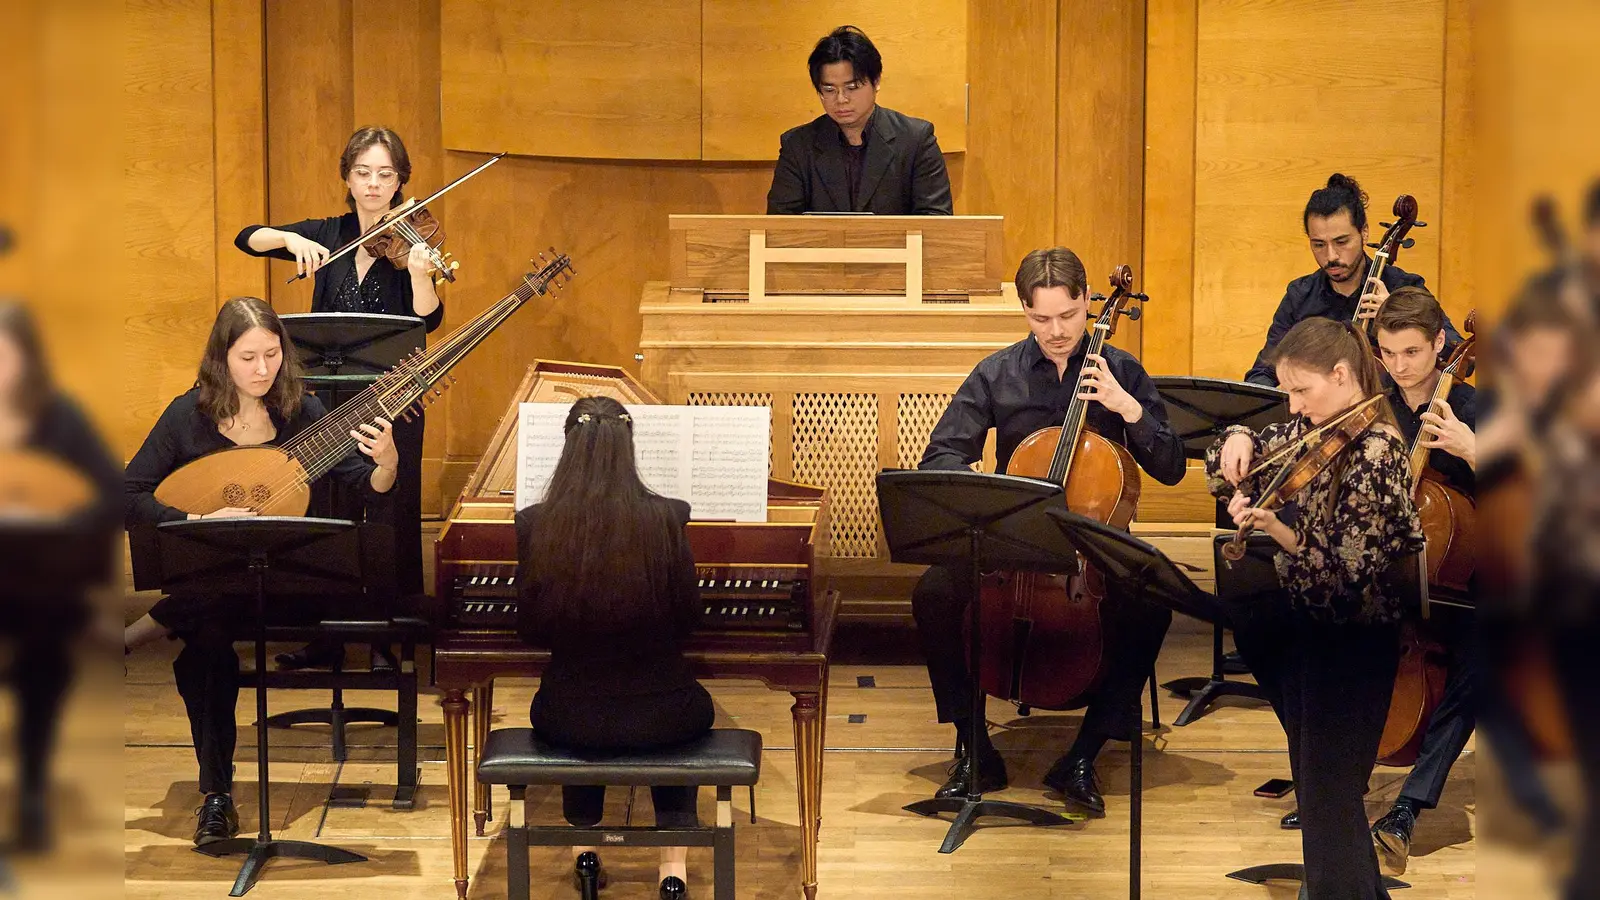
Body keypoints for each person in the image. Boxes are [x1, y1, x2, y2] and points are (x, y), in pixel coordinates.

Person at [913, 247, 1185, 815]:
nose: (1057, 331)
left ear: (1087, 302)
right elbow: (941, 454)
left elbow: (1171, 467)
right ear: (1023, 310)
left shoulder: (1122, 371)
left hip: (1092, 545)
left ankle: (1084, 753)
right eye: (1041, 318)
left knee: (1151, 604)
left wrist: (1129, 409)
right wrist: (978, 485)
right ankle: (974, 746)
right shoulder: (996, 373)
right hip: (1015, 543)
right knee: (934, 592)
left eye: (1068, 315)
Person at [123, 297, 398, 846]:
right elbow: (127, 493)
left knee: (213, 602)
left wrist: (387, 461)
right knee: (206, 649)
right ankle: (216, 797)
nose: (263, 369)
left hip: (293, 583)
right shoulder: (188, 416)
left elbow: (369, 487)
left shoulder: (303, 412)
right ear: (221, 359)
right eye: (247, 358)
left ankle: (148, 626)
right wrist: (198, 520)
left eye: (272, 354)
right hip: (220, 590)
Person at [1207, 316, 1426, 899]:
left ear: (1342, 375)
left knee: (1329, 802)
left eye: (1301, 390)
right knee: (1325, 801)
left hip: (1355, 645)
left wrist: (1278, 529)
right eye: (1287, 392)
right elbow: (1221, 468)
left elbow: (1344, 579)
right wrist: (1238, 440)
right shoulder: (1317, 429)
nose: (1294, 406)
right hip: (1307, 635)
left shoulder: (1377, 452)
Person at [234, 126, 440, 658]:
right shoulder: (329, 233)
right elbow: (246, 237)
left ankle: (389, 636)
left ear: (400, 181)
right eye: (363, 172)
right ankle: (323, 635)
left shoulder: (413, 241)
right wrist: (288, 240)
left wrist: (422, 276)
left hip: (394, 397)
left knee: (390, 506)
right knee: (327, 505)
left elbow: (428, 320)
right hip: (326, 398)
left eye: (385, 175)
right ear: (347, 177)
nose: (373, 184)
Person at [515, 395, 711, 900]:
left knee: (584, 708)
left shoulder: (536, 523)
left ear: (567, 447)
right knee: (672, 719)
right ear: (629, 447)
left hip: (567, 715)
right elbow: (689, 617)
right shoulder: (668, 516)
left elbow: (531, 628)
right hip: (666, 713)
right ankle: (672, 873)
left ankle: (586, 855)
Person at [1362, 286, 1478, 873]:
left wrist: (1475, 450)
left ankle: (1407, 808)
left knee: (1484, 660)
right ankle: (1334, 782)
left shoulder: (1478, 407)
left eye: (1411, 352)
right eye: (1388, 353)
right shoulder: (1377, 406)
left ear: (1440, 343)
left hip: (1470, 581)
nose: (1400, 367)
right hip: (1392, 579)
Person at [0, 300, 121, 851]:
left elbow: (110, 495)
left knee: (43, 657)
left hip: (41, 585)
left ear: (26, 357)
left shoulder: (59, 417)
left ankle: (31, 789)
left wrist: (58, 520)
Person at [1244, 173, 1462, 386]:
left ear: (1364, 232)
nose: (1331, 256)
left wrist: (1400, 315)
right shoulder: (1300, 296)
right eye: (1319, 244)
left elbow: (1458, 357)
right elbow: (1263, 371)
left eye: (1341, 242)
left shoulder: (1403, 287)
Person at [765, 25, 953, 216]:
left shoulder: (916, 140)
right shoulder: (798, 145)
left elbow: (935, 220)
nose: (841, 99)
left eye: (852, 87)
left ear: (876, 82)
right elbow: (780, 223)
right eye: (829, 90)